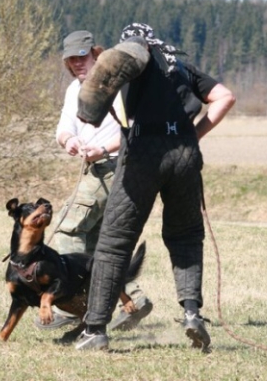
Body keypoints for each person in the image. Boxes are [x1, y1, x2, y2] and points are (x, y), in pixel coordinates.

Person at [74, 23, 236, 351]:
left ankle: (94, 330)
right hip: (185, 154)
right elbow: (224, 97)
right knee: (187, 235)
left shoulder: (134, 55)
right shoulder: (181, 65)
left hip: (144, 152)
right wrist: (193, 134)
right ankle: (192, 314)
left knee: (114, 243)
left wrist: (88, 110)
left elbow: (110, 71)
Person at [34, 30, 153, 333]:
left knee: (67, 229)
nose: (77, 63)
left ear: (96, 53)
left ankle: (77, 302)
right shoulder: (74, 89)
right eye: (71, 59)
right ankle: (134, 300)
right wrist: (69, 140)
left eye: (82, 56)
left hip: (112, 167)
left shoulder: (116, 83)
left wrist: (102, 149)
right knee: (99, 244)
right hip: (97, 169)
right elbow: (63, 127)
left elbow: (133, 129)